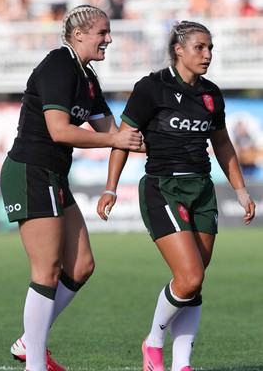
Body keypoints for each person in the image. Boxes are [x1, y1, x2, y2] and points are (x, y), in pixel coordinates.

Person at [97, 20, 256, 371]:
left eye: (211, 48)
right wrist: (110, 186)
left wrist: (241, 191)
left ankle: (182, 364)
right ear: (179, 49)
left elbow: (223, 143)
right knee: (190, 277)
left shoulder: (211, 93)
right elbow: (123, 139)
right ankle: (153, 343)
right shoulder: (151, 88)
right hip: (162, 187)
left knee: (194, 282)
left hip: (201, 189)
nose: (207, 54)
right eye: (200, 47)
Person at [0, 4, 143, 371]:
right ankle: (34, 362)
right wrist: (117, 141)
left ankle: (26, 343)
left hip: (53, 175)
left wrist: (153, 140)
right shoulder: (58, 66)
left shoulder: (87, 77)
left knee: (80, 266)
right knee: (46, 271)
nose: (108, 39)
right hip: (30, 170)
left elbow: (115, 132)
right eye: (103, 32)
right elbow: (60, 131)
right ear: (78, 34)